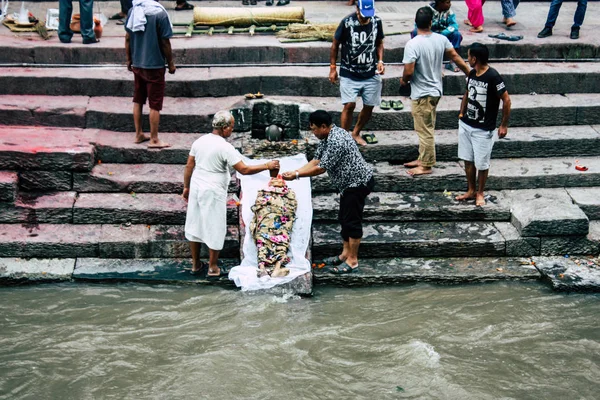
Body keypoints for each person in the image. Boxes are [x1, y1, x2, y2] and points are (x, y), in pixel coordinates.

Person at [183, 111, 280, 277]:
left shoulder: (200, 141)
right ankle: (213, 267)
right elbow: (244, 169)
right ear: (223, 128)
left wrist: (186, 187)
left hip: (197, 186)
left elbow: (189, 166)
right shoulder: (225, 147)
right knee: (214, 226)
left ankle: (196, 264)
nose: (232, 131)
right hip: (213, 189)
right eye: (231, 127)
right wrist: (267, 165)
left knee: (195, 224)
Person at [281, 110, 374, 274]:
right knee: (343, 218)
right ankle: (345, 254)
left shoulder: (337, 140)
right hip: (346, 185)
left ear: (323, 126)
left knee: (352, 221)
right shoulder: (327, 137)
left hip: (357, 183)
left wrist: (296, 175)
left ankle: (353, 260)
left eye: (314, 129)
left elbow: (321, 168)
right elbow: (316, 160)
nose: (313, 133)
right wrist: (296, 171)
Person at [400, 6, 470, 176]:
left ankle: (426, 165)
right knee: (426, 126)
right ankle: (423, 157)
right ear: (431, 23)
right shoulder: (441, 39)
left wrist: (403, 81)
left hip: (422, 93)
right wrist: (470, 73)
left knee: (425, 130)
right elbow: (456, 57)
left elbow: (408, 71)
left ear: (415, 23)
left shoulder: (412, 44)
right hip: (435, 90)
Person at [456, 43, 511, 207]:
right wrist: (461, 112)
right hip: (466, 124)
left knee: (482, 163)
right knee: (468, 159)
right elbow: (467, 93)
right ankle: (471, 190)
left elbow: (506, 100)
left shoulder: (493, 76)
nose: (467, 59)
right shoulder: (472, 73)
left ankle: (480, 192)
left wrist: (503, 125)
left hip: (483, 129)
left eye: (468, 56)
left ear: (474, 58)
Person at [330, 0, 385, 146]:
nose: (365, 18)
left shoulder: (376, 21)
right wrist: (333, 67)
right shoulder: (347, 22)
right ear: (357, 9)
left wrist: (380, 61)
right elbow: (335, 45)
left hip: (370, 72)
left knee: (369, 105)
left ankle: (356, 132)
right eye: (363, 15)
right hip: (349, 72)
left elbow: (379, 42)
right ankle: (344, 138)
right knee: (349, 105)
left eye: (368, 15)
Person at [125, 0, 175, 148]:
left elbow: (128, 38)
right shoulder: (160, 14)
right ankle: (154, 139)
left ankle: (138, 133)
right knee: (155, 104)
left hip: (138, 64)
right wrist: (171, 63)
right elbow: (165, 42)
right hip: (155, 66)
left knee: (138, 99)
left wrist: (129, 59)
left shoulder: (133, 11)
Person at [410, 0, 462, 71]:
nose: (450, 4)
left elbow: (454, 25)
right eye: (447, 2)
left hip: (444, 35)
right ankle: (418, 61)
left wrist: (444, 33)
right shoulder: (427, 11)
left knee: (457, 35)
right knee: (415, 32)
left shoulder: (450, 12)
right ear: (440, 3)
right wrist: (431, 34)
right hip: (428, 35)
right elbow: (419, 25)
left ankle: (451, 62)